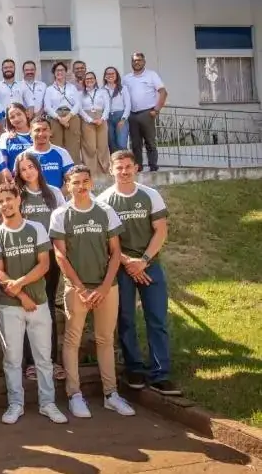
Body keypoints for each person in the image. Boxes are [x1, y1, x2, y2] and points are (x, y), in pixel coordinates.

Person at [49, 165, 135, 418]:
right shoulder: (61, 214)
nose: (81, 186)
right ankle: (74, 394)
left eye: (85, 181)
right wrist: (80, 287)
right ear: (68, 185)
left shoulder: (106, 211)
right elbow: (60, 255)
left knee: (105, 339)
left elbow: (116, 252)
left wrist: (106, 286)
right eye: (76, 182)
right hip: (77, 288)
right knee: (72, 340)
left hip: (106, 287)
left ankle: (111, 394)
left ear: (92, 183)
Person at [98, 150, 181, 396]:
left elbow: (160, 231)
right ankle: (134, 368)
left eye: (128, 167)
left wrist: (143, 261)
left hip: (150, 264)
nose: (123, 172)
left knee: (157, 319)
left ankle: (160, 374)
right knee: (125, 319)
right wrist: (128, 263)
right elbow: (107, 242)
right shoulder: (104, 201)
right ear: (111, 170)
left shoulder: (150, 195)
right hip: (121, 267)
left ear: (136, 168)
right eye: (118, 167)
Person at [0, 183, 69, 425]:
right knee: (12, 358)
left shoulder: (36, 229)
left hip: (40, 304)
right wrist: (21, 295)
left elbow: (44, 265)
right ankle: (16, 404)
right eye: (0, 201)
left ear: (18, 200)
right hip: (10, 306)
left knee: (44, 358)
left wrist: (21, 284)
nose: (5, 204)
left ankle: (48, 403)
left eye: (9, 199)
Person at [14, 152, 66, 382]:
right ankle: (31, 363)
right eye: (23, 169)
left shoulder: (53, 193)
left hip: (51, 258)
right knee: (27, 308)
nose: (27, 172)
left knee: (47, 308)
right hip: (25, 259)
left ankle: (50, 360)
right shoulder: (18, 195)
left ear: (38, 168)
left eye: (30, 167)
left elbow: (64, 222)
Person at [123, 52, 168, 172]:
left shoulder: (151, 75)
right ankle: (138, 167)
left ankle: (153, 166)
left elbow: (163, 92)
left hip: (147, 113)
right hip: (132, 114)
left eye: (139, 60)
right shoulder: (126, 78)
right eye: (134, 60)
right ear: (131, 62)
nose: (136, 62)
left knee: (150, 141)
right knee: (135, 144)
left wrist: (156, 110)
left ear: (144, 62)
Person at [42, 62, 82, 164]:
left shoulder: (72, 87)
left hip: (71, 116)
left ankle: (74, 170)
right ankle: (58, 168)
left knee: (73, 146)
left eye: (62, 70)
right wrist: (60, 119)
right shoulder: (49, 89)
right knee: (56, 145)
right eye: (57, 70)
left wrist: (67, 118)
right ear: (54, 73)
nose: (59, 72)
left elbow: (77, 104)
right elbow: (47, 107)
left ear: (65, 72)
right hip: (55, 118)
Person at [24, 117, 75, 190]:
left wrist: (57, 197)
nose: (41, 133)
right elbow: (19, 183)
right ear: (30, 133)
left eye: (45, 130)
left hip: (57, 199)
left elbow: (71, 180)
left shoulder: (62, 153)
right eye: (37, 130)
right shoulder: (24, 156)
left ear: (50, 132)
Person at [80, 71, 111, 176]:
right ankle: (91, 171)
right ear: (84, 81)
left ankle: (104, 171)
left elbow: (107, 106)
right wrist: (90, 119)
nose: (89, 80)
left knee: (102, 146)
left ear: (95, 80)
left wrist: (102, 119)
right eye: (87, 79)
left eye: (91, 78)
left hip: (101, 118)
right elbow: (80, 109)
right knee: (90, 147)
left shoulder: (102, 92)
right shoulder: (81, 94)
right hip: (87, 120)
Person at [102, 66, 131, 154]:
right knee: (112, 143)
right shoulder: (102, 90)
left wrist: (123, 119)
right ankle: (115, 165)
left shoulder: (123, 88)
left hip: (120, 116)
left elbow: (128, 105)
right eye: (108, 73)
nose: (110, 75)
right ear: (105, 76)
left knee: (121, 143)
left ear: (116, 75)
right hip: (108, 118)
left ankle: (126, 164)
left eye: (112, 73)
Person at [0, 102, 33, 171]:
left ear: (26, 114)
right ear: (9, 121)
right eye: (12, 117)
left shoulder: (37, 134)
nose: (16, 119)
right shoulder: (5, 137)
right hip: (15, 179)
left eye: (19, 114)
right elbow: (3, 165)